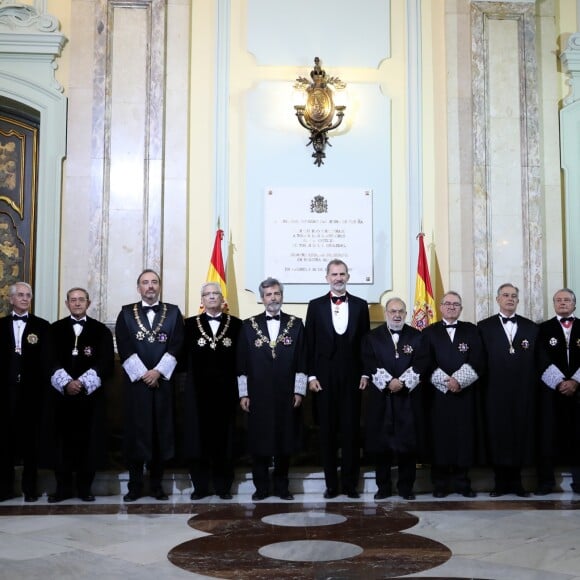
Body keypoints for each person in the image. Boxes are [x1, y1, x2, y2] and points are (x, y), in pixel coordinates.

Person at [115, 269, 184, 502]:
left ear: (160, 286)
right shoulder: (126, 313)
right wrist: (144, 374)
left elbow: (176, 345)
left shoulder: (173, 313)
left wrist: (158, 372)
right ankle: (134, 486)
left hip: (162, 384)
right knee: (136, 433)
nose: (150, 286)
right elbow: (124, 346)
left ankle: (157, 486)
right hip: (136, 386)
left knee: (159, 433)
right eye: (145, 282)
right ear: (138, 288)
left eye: (154, 282)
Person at [237, 277, 307, 501]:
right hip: (258, 394)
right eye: (269, 294)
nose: (273, 298)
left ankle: (282, 486)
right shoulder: (248, 326)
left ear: (282, 296)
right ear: (262, 298)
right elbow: (242, 362)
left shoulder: (296, 324)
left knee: (285, 440)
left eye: (276, 293)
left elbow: (302, 359)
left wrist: (299, 390)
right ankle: (261, 487)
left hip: (287, 393)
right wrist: (244, 393)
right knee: (260, 440)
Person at [305, 259, 370, 498]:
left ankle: (351, 485)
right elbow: (309, 344)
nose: (338, 278)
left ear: (348, 276)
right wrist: (311, 375)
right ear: (327, 277)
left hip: (353, 377)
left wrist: (365, 372)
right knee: (327, 433)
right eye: (334, 274)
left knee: (352, 432)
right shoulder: (315, 306)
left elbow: (365, 343)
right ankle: (331, 484)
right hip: (323, 379)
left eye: (342, 273)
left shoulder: (362, 306)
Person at [46, 287, 115, 502]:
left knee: (89, 442)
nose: (77, 303)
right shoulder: (54, 329)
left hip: (90, 399)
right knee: (62, 443)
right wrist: (66, 383)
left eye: (81, 300)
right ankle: (63, 488)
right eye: (73, 300)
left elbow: (105, 362)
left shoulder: (100, 330)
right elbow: (48, 359)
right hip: (61, 399)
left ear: (88, 303)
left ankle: (85, 488)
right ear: (66, 303)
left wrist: (82, 383)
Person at [416, 291, 483, 498]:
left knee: (463, 438)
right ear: (440, 307)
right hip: (438, 397)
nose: (452, 307)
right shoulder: (428, 332)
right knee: (440, 439)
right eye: (448, 303)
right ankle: (440, 484)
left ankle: (463, 483)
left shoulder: (471, 330)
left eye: (456, 304)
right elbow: (424, 362)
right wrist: (447, 382)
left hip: (465, 395)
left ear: (461, 309)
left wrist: (459, 381)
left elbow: (479, 358)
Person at [478, 283, 538, 497]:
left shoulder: (531, 327)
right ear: (497, 299)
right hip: (493, 392)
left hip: (523, 392)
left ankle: (517, 482)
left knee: (520, 435)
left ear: (518, 301)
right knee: (498, 435)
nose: (510, 299)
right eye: (505, 295)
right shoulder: (483, 327)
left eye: (514, 296)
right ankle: (500, 482)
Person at [183, 283, 242, 500]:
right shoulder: (189, 325)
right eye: (207, 294)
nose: (211, 297)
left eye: (215, 294)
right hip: (197, 394)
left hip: (227, 393)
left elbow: (241, 359)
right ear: (202, 299)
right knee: (197, 439)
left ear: (222, 298)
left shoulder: (236, 325)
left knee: (224, 441)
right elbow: (181, 359)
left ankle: (223, 486)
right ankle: (200, 487)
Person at [361, 298, 423, 500]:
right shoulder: (372, 337)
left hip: (407, 399)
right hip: (382, 399)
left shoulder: (417, 336)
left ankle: (406, 488)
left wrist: (402, 382)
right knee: (382, 446)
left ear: (406, 314)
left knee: (408, 445)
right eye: (393, 311)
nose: (397, 315)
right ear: (386, 313)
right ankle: (384, 488)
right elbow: (369, 361)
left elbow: (423, 361)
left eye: (401, 311)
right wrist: (389, 382)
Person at [0, 282, 50, 502]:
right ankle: (4, 488)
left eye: (28, 295)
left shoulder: (42, 326)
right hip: (4, 392)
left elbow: (47, 361)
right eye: (20, 295)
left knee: (31, 442)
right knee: (4, 442)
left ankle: (30, 489)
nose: (24, 299)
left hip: (32, 393)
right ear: (11, 299)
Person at [536, 288, 580, 495]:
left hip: (579, 392)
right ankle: (545, 482)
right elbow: (540, 358)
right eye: (558, 300)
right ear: (553, 304)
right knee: (547, 436)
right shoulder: (542, 329)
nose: (563, 303)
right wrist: (561, 382)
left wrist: (576, 381)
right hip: (551, 392)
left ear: (574, 304)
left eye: (567, 300)